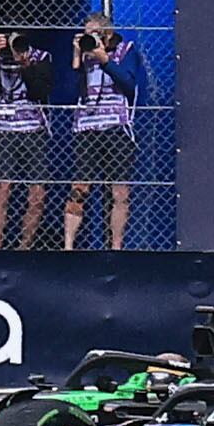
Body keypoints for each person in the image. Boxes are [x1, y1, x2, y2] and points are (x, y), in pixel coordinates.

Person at [57, 13, 147, 252]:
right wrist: (77, 58)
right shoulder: (84, 57)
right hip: (87, 127)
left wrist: (105, 60)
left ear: (106, 33)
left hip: (116, 127)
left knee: (119, 190)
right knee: (79, 188)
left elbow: (128, 83)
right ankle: (68, 246)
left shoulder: (126, 50)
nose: (90, 39)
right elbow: (66, 92)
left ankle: (116, 247)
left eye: (94, 34)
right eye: (86, 34)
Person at [0, 29, 54, 251]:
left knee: (38, 193)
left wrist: (25, 64)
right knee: (2, 189)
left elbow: (40, 91)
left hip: (33, 129)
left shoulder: (40, 57)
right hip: (4, 128)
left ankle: (24, 247)